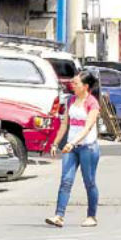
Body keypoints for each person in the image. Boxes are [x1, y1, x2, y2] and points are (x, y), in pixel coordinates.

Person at [45, 71, 101, 228]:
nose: (72, 86)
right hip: (71, 147)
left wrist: (73, 143)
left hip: (87, 148)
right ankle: (59, 216)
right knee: (65, 181)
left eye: (76, 83)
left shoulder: (92, 103)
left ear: (85, 87)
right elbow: (64, 124)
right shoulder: (71, 101)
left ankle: (91, 216)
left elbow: (87, 128)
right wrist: (56, 143)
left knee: (89, 182)